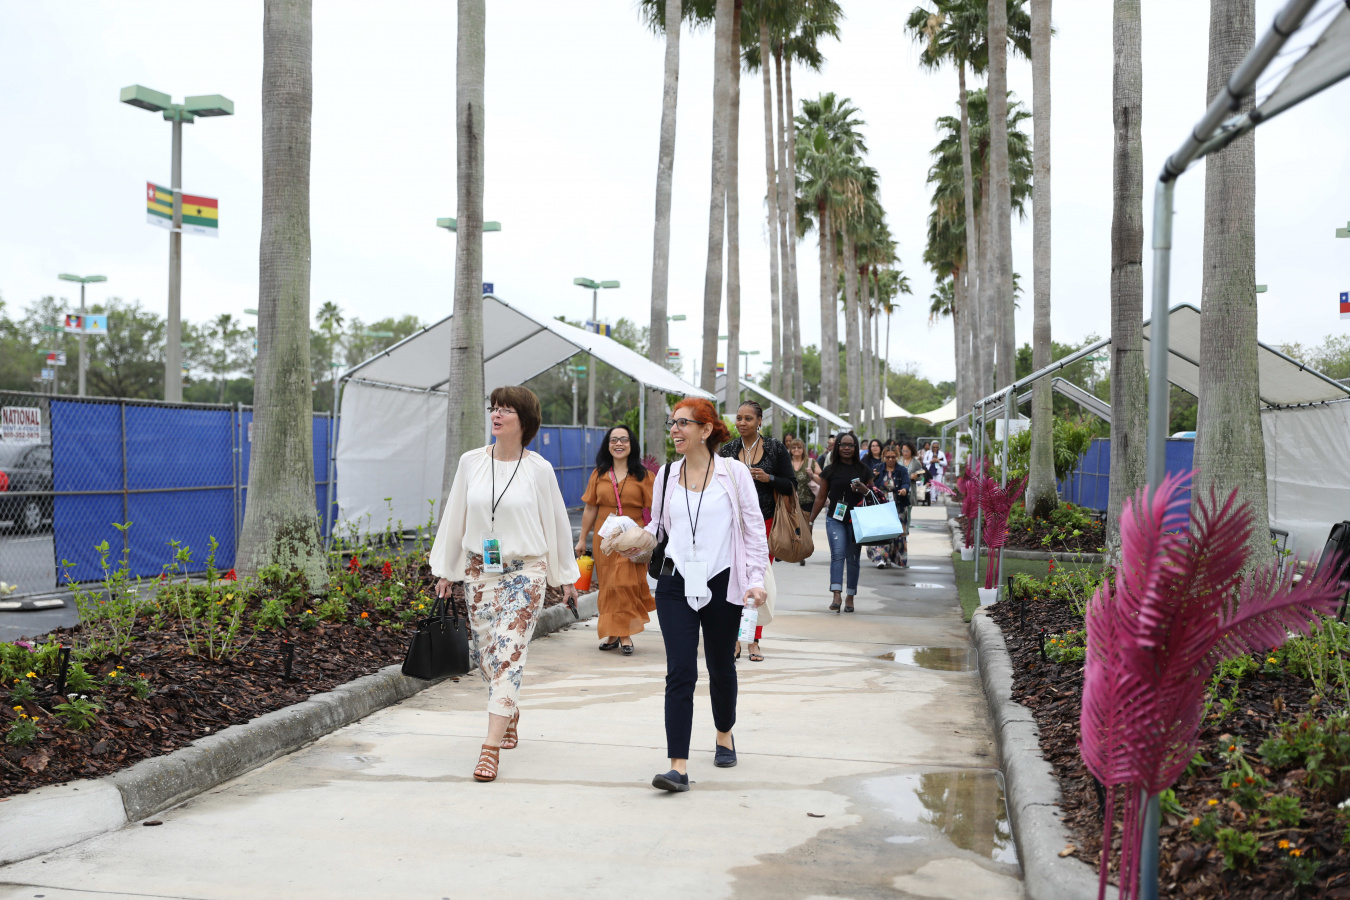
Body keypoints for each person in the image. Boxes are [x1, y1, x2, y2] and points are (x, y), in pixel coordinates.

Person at [608, 397, 769, 793]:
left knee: (720, 665)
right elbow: (660, 527)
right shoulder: (666, 474)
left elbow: (752, 530)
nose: (675, 430)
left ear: (706, 429)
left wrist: (755, 579)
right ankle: (677, 766)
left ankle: (724, 733)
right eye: (673, 423)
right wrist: (631, 536)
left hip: (722, 579)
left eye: (683, 423)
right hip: (676, 580)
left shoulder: (734, 473)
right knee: (680, 670)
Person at [430, 386, 580, 783]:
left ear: (524, 420)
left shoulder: (539, 469)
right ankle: (508, 711)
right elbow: (456, 516)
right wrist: (446, 570)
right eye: (494, 408)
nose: (496, 415)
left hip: (526, 571)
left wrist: (565, 577)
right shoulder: (471, 462)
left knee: (510, 652)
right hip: (480, 572)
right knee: (486, 655)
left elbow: (555, 523)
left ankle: (490, 748)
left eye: (506, 410)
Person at [720, 401, 794, 663]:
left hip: (765, 524)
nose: (742, 423)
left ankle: (753, 640)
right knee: (733, 581)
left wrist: (768, 478)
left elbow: (791, 485)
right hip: (732, 525)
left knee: (757, 582)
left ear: (760, 421)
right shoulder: (728, 450)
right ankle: (734, 639)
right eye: (739, 418)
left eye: (748, 418)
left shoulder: (775, 448)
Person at [575, 424, 654, 656]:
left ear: (632, 445)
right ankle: (612, 632)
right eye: (614, 440)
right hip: (605, 540)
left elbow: (656, 510)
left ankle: (624, 633)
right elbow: (590, 508)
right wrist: (582, 539)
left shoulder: (644, 476)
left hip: (633, 538)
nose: (619, 444)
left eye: (624, 439)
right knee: (609, 585)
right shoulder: (598, 475)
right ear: (607, 445)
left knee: (626, 584)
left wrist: (653, 536)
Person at [807, 431, 873, 613]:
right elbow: (821, 497)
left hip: (857, 520)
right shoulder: (830, 470)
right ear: (837, 447)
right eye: (843, 444)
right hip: (835, 518)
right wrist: (810, 521)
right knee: (837, 555)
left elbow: (874, 494)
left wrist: (865, 489)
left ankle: (850, 596)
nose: (846, 448)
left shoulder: (864, 470)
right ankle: (836, 594)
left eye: (850, 445)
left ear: (856, 448)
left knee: (853, 557)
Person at [870, 445, 911, 568]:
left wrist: (904, 490)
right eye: (887, 457)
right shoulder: (878, 468)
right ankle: (880, 558)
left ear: (897, 457)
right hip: (881, 506)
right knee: (880, 531)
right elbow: (870, 484)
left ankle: (896, 559)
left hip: (898, 506)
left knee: (898, 533)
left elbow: (906, 483)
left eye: (893, 457)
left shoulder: (902, 470)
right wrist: (873, 477)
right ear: (883, 456)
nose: (890, 460)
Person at [788, 437, 823, 568]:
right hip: (791, 501)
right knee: (795, 527)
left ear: (803, 449)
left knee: (807, 528)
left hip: (808, 501)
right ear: (790, 450)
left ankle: (803, 552)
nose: (796, 450)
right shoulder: (787, 463)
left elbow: (822, 480)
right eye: (794, 447)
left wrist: (812, 475)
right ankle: (798, 551)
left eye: (799, 447)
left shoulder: (810, 463)